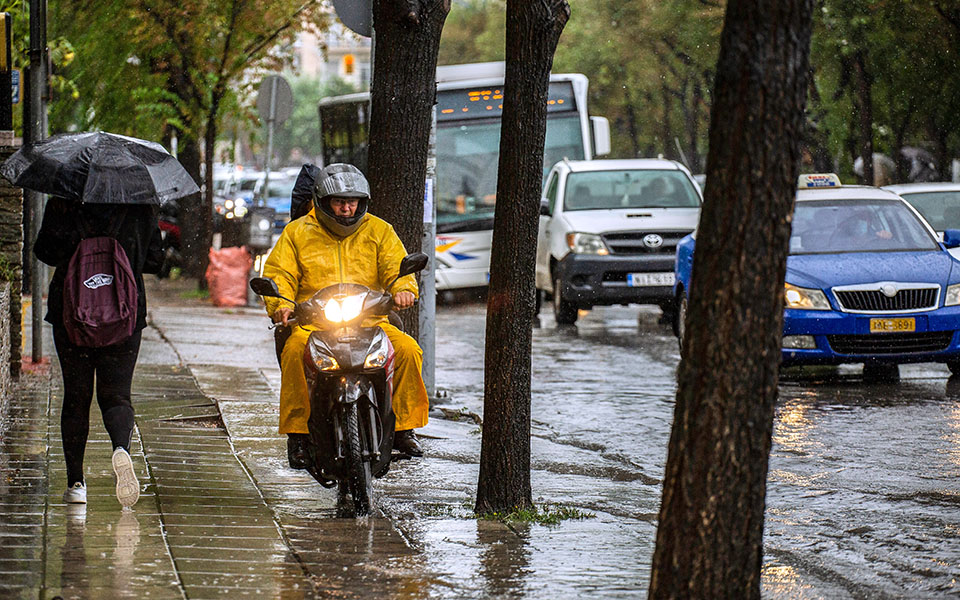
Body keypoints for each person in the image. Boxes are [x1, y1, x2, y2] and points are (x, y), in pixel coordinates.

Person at [262, 163, 429, 466]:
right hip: (313, 324)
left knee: (407, 349)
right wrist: (282, 305)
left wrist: (404, 288)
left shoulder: (380, 230)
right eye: (339, 202)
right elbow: (280, 273)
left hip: (370, 321)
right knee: (293, 352)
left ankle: (405, 428)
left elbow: (396, 267)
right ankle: (297, 435)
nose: (346, 208)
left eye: (352, 201)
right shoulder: (297, 233)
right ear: (322, 202)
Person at [35, 198, 164, 507]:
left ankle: (76, 484)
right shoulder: (140, 205)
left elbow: (45, 252)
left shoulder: (63, 203)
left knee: (76, 396)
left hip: (71, 313)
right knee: (118, 395)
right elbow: (156, 261)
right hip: (124, 315)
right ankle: (120, 448)